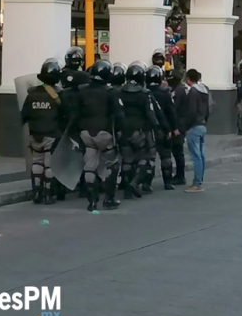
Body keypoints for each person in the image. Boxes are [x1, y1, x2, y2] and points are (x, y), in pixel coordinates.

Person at [75, 60, 124, 211]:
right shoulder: (111, 92)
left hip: (86, 134)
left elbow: (75, 113)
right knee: (112, 165)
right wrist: (120, 132)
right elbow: (119, 114)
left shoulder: (81, 91)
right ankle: (109, 199)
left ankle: (92, 201)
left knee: (89, 166)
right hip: (104, 133)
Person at [21, 59, 66, 205]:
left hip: (35, 135)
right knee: (49, 165)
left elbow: (24, 115)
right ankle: (48, 194)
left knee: (37, 162)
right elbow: (65, 115)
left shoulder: (31, 94)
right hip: (51, 134)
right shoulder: (58, 95)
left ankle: (36, 192)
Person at [117, 63, 159, 200]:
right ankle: (134, 183)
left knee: (127, 160)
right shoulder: (144, 94)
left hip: (123, 130)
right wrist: (157, 128)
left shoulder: (119, 92)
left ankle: (126, 188)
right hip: (139, 130)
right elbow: (150, 113)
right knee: (145, 158)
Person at [60, 47, 91, 199]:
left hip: (64, 122)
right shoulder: (83, 83)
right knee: (81, 153)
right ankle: (83, 184)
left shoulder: (61, 85)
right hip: (78, 122)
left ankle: (60, 187)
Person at [147, 65, 179, 190]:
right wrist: (174, 128)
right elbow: (171, 112)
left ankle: (147, 183)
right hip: (164, 127)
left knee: (149, 157)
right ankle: (167, 182)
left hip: (149, 128)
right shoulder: (165, 92)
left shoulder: (145, 92)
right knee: (165, 155)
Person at [184, 69, 210, 192]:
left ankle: (196, 183)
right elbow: (208, 109)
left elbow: (191, 111)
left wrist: (185, 127)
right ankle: (199, 180)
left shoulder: (193, 92)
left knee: (196, 156)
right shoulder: (205, 91)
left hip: (194, 126)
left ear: (189, 79)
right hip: (202, 125)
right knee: (201, 155)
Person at [168, 69, 187, 185]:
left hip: (178, 125)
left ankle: (180, 176)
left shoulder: (178, 91)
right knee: (177, 151)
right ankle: (179, 175)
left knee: (177, 151)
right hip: (180, 124)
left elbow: (173, 109)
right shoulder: (179, 89)